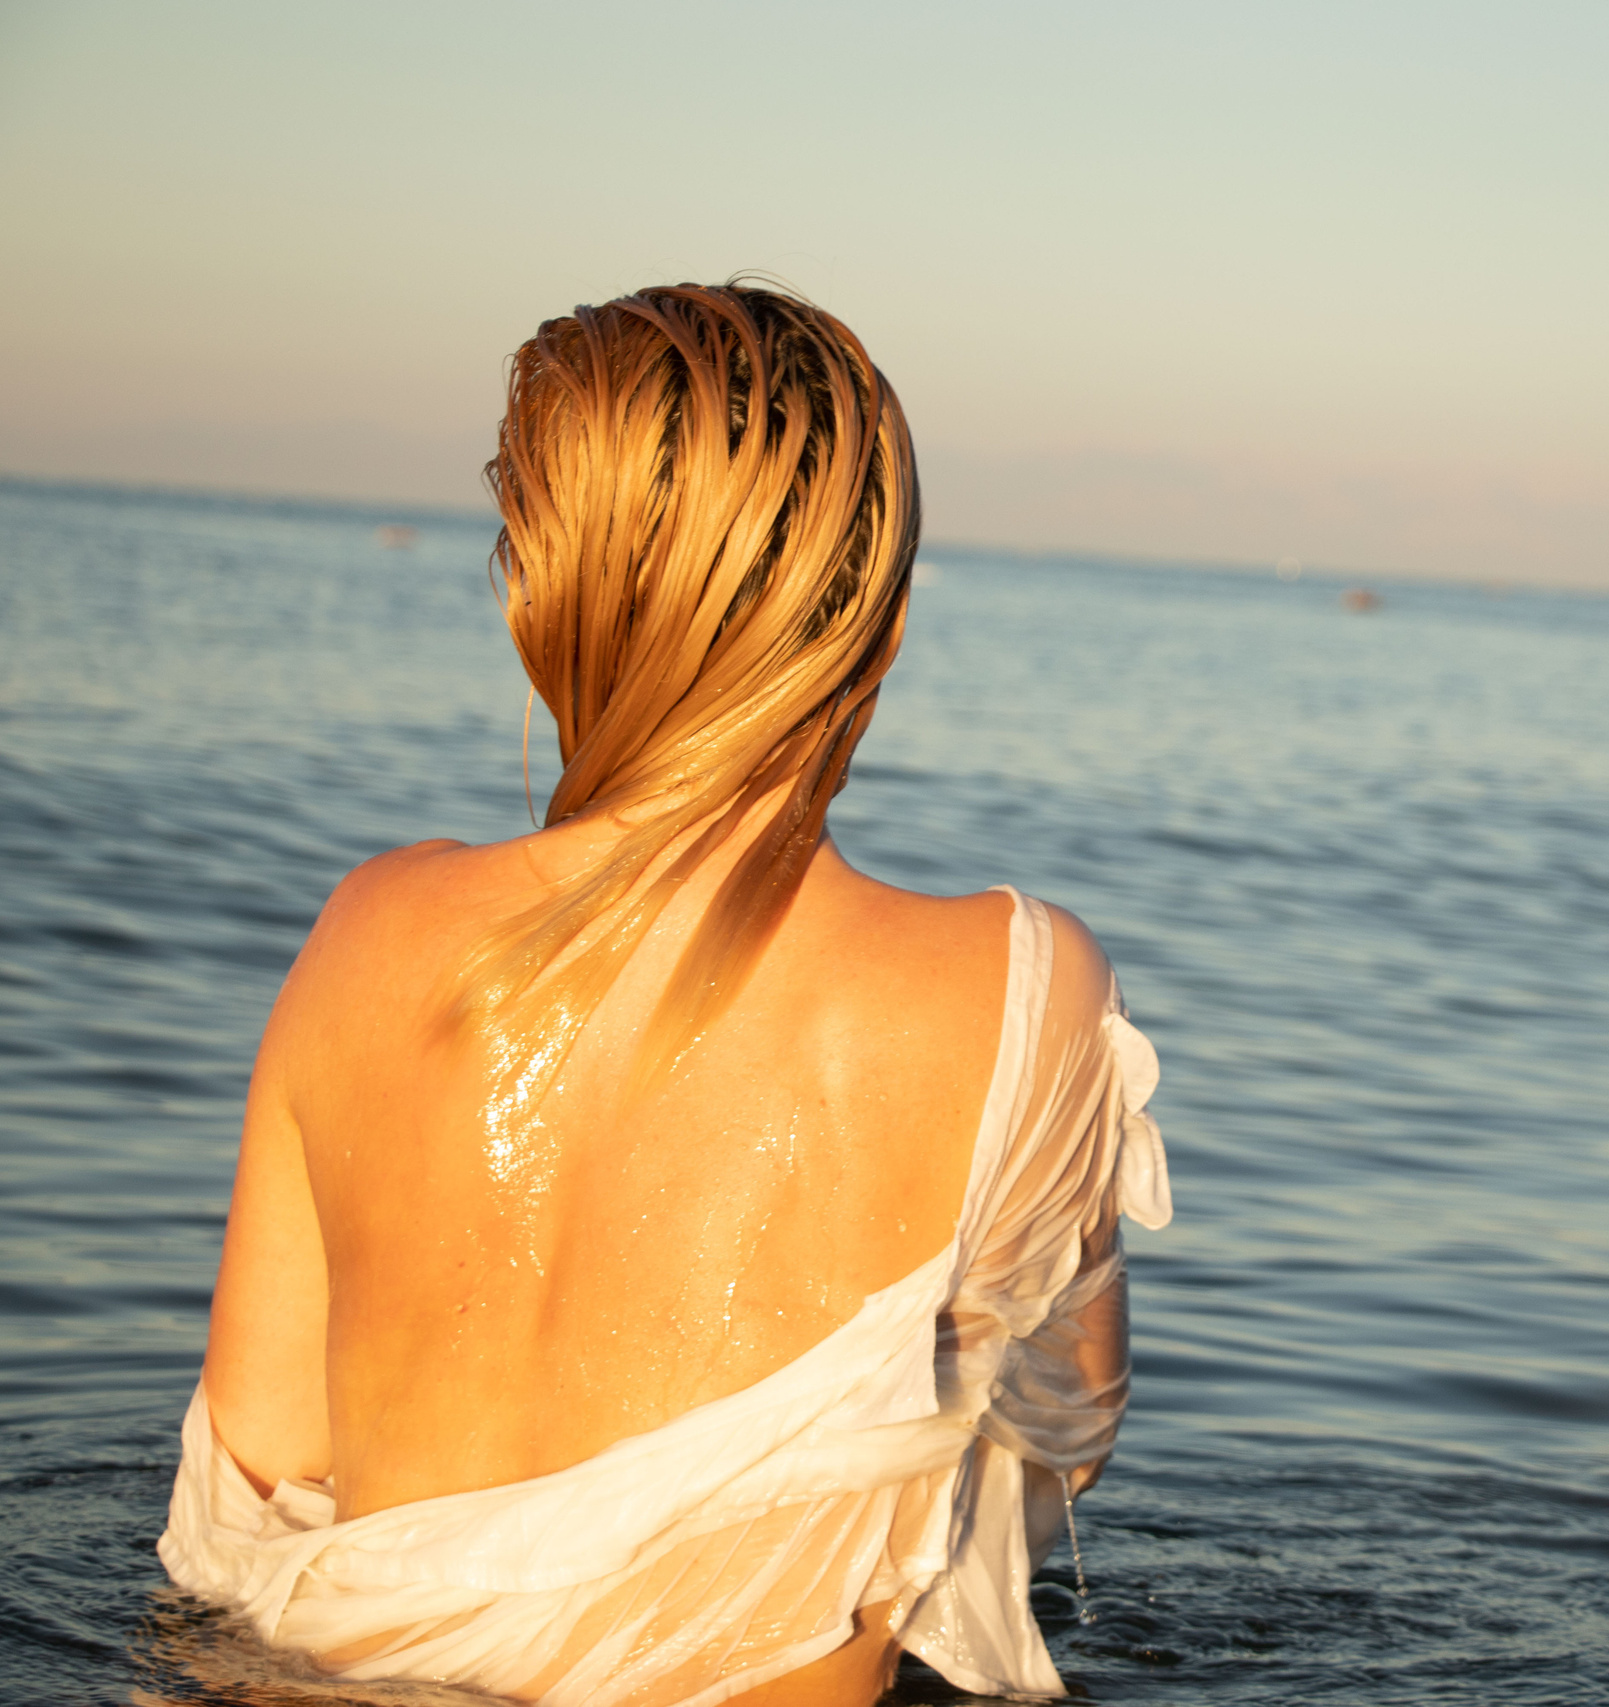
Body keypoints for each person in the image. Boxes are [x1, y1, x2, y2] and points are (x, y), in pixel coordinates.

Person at [156, 283, 1171, 1706]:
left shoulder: (367, 930)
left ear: (546, 583)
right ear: (868, 598)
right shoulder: (1021, 987)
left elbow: (247, 1489)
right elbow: (1063, 1438)